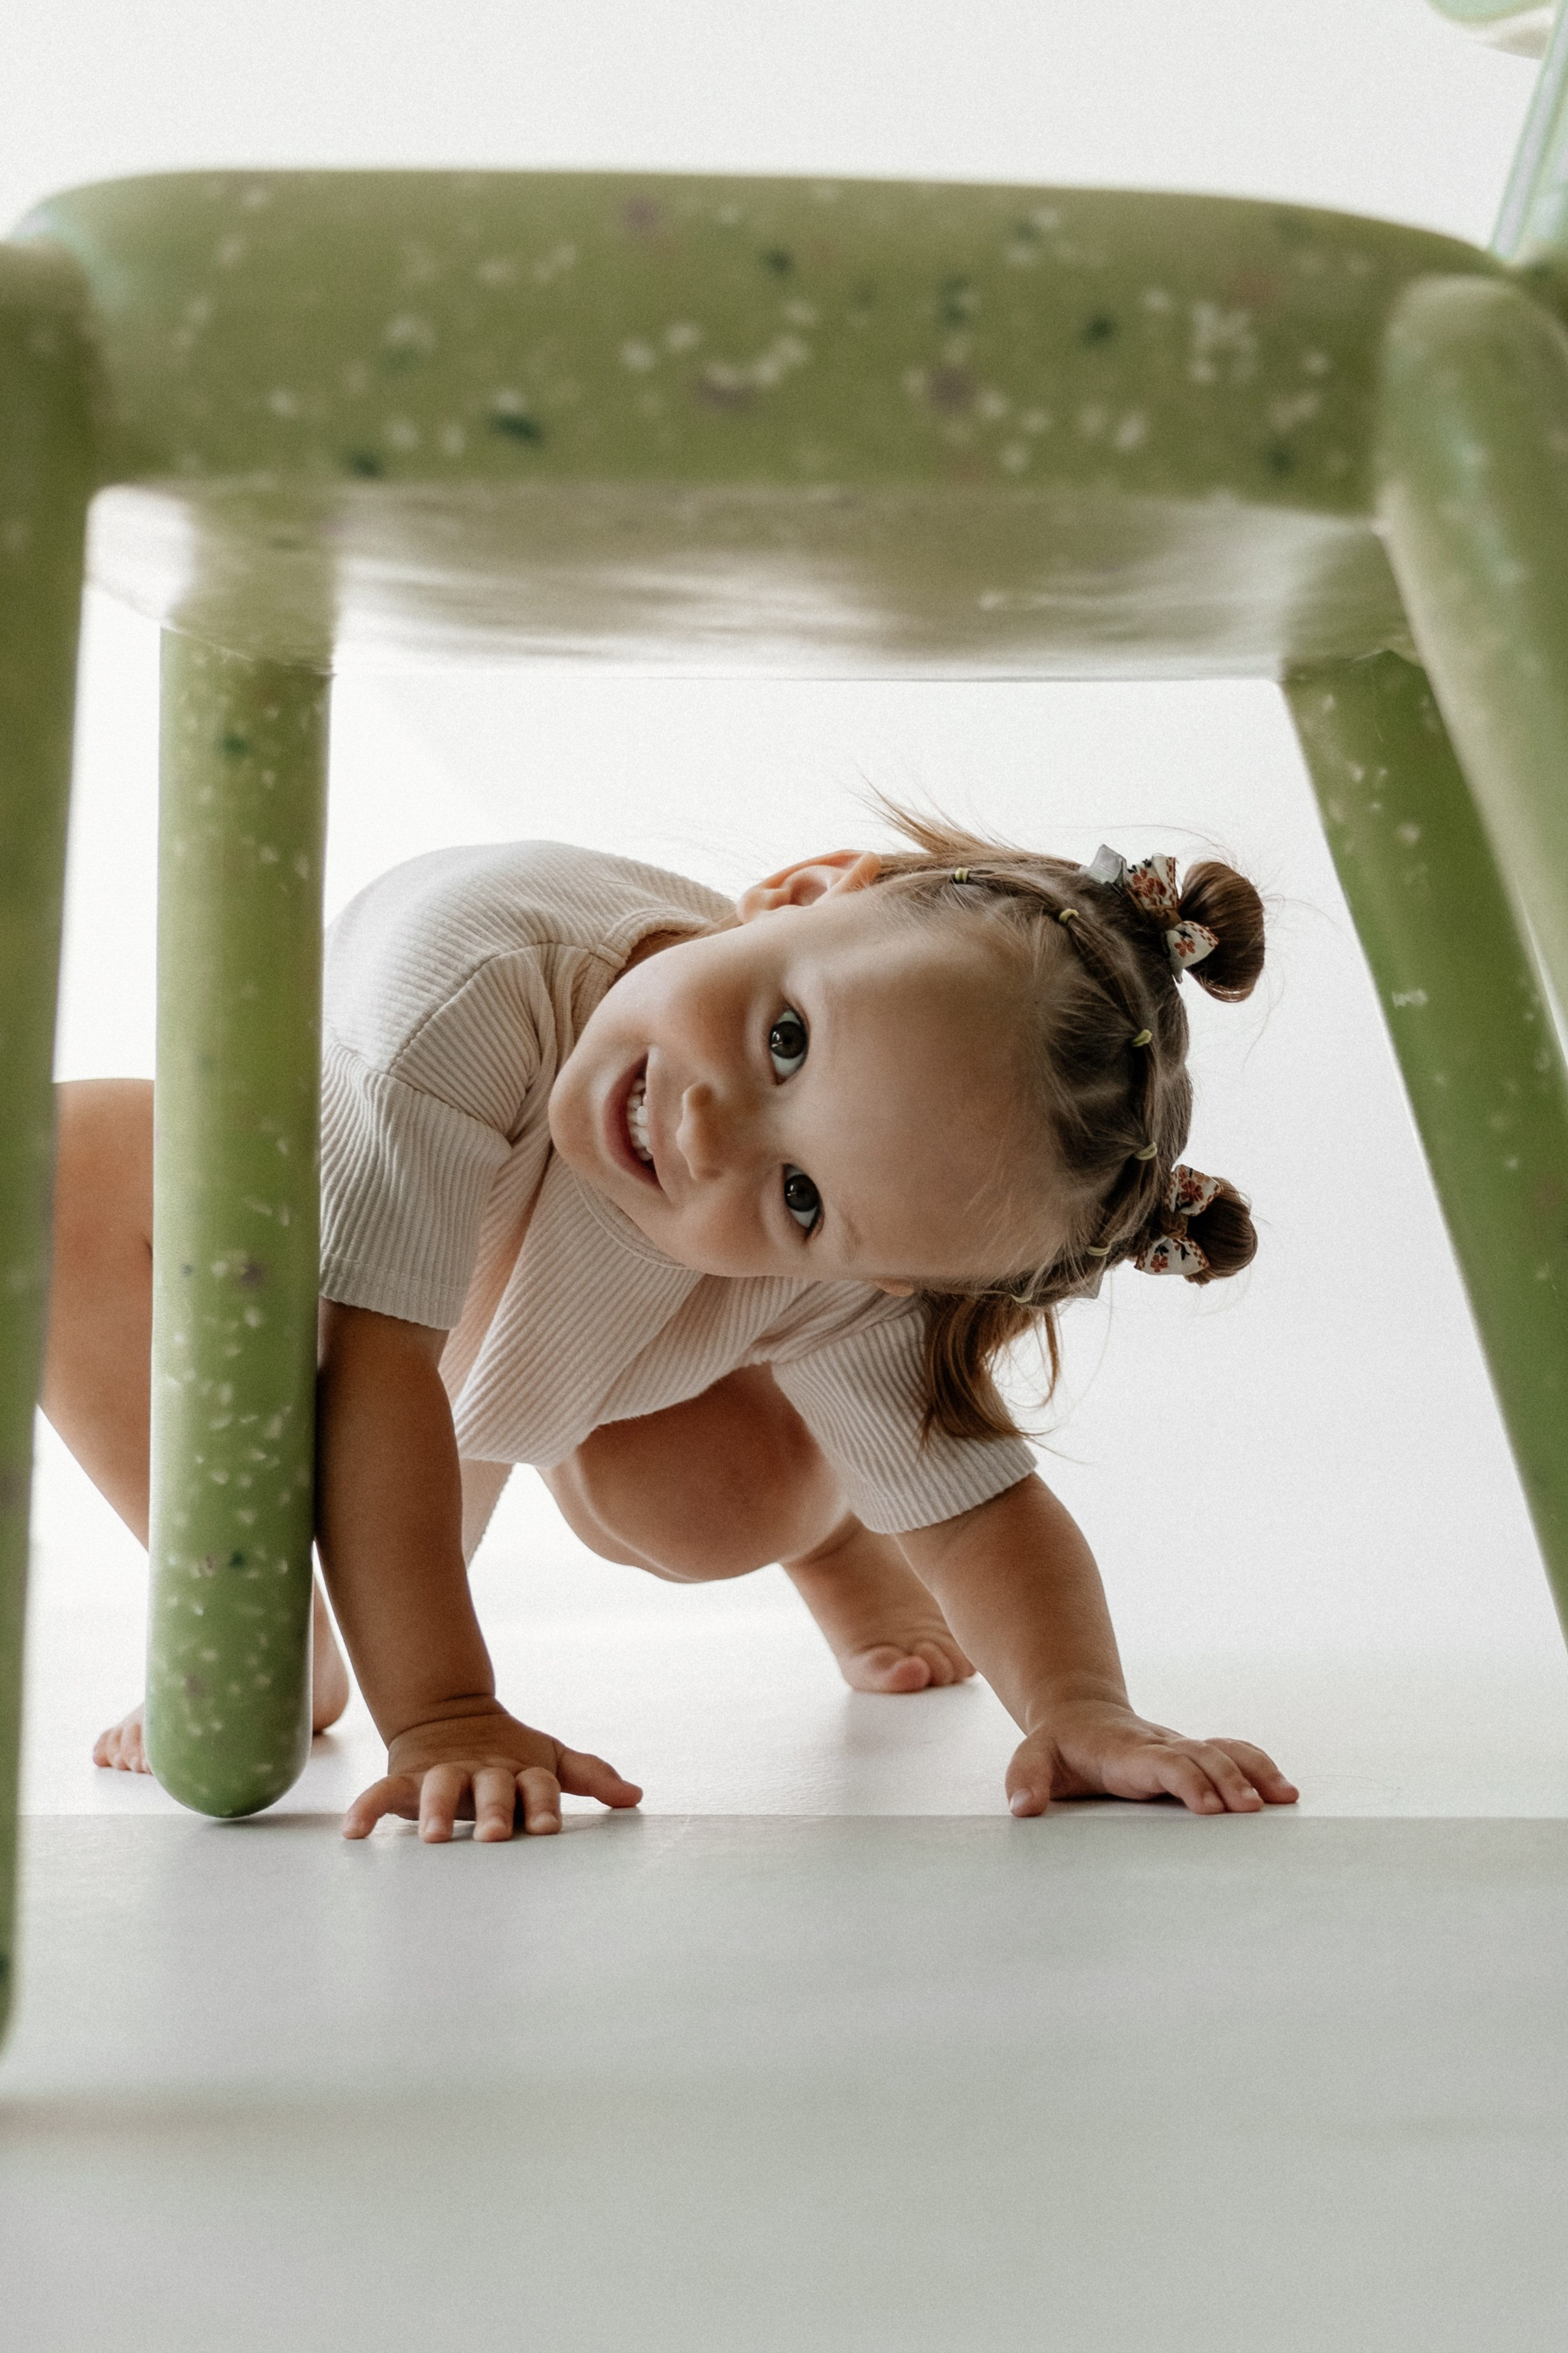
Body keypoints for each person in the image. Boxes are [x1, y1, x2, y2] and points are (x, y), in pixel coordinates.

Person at [45, 810, 1298, 1841]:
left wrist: (1081, 1707)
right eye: (784, 1041)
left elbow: (977, 1503)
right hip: (317, 1249)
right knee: (55, 1178)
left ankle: (831, 1524)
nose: (709, 1130)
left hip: (571, 1331)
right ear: (803, 887)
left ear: (886, 1276)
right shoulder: (481, 975)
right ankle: (266, 1609)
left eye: (800, 1196)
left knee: (714, 1503)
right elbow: (375, 1363)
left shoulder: (850, 1249)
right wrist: (444, 1713)